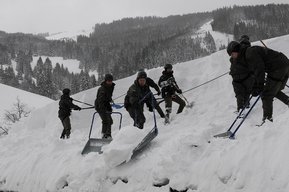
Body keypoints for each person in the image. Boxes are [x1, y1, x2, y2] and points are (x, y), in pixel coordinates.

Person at [227, 40, 289, 122]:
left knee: (266, 95)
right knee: (273, 90)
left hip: (278, 68)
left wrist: (259, 86)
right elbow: (256, 71)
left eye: (232, 54)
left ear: (236, 50)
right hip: (282, 65)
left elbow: (259, 69)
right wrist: (256, 85)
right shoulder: (246, 54)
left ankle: (267, 121)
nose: (232, 56)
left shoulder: (249, 53)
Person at [228, 35, 255, 112]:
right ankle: (243, 107)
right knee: (242, 93)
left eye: (232, 54)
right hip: (240, 77)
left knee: (242, 93)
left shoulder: (244, 51)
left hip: (244, 76)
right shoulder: (239, 52)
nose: (232, 56)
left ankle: (242, 108)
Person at [94, 74, 115, 139]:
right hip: (100, 106)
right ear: (106, 81)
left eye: (111, 81)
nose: (110, 82)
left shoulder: (110, 87)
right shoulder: (102, 89)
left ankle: (104, 134)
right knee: (107, 120)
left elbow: (107, 96)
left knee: (109, 121)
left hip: (106, 105)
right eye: (108, 81)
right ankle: (107, 135)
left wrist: (110, 100)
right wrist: (103, 109)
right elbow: (100, 100)